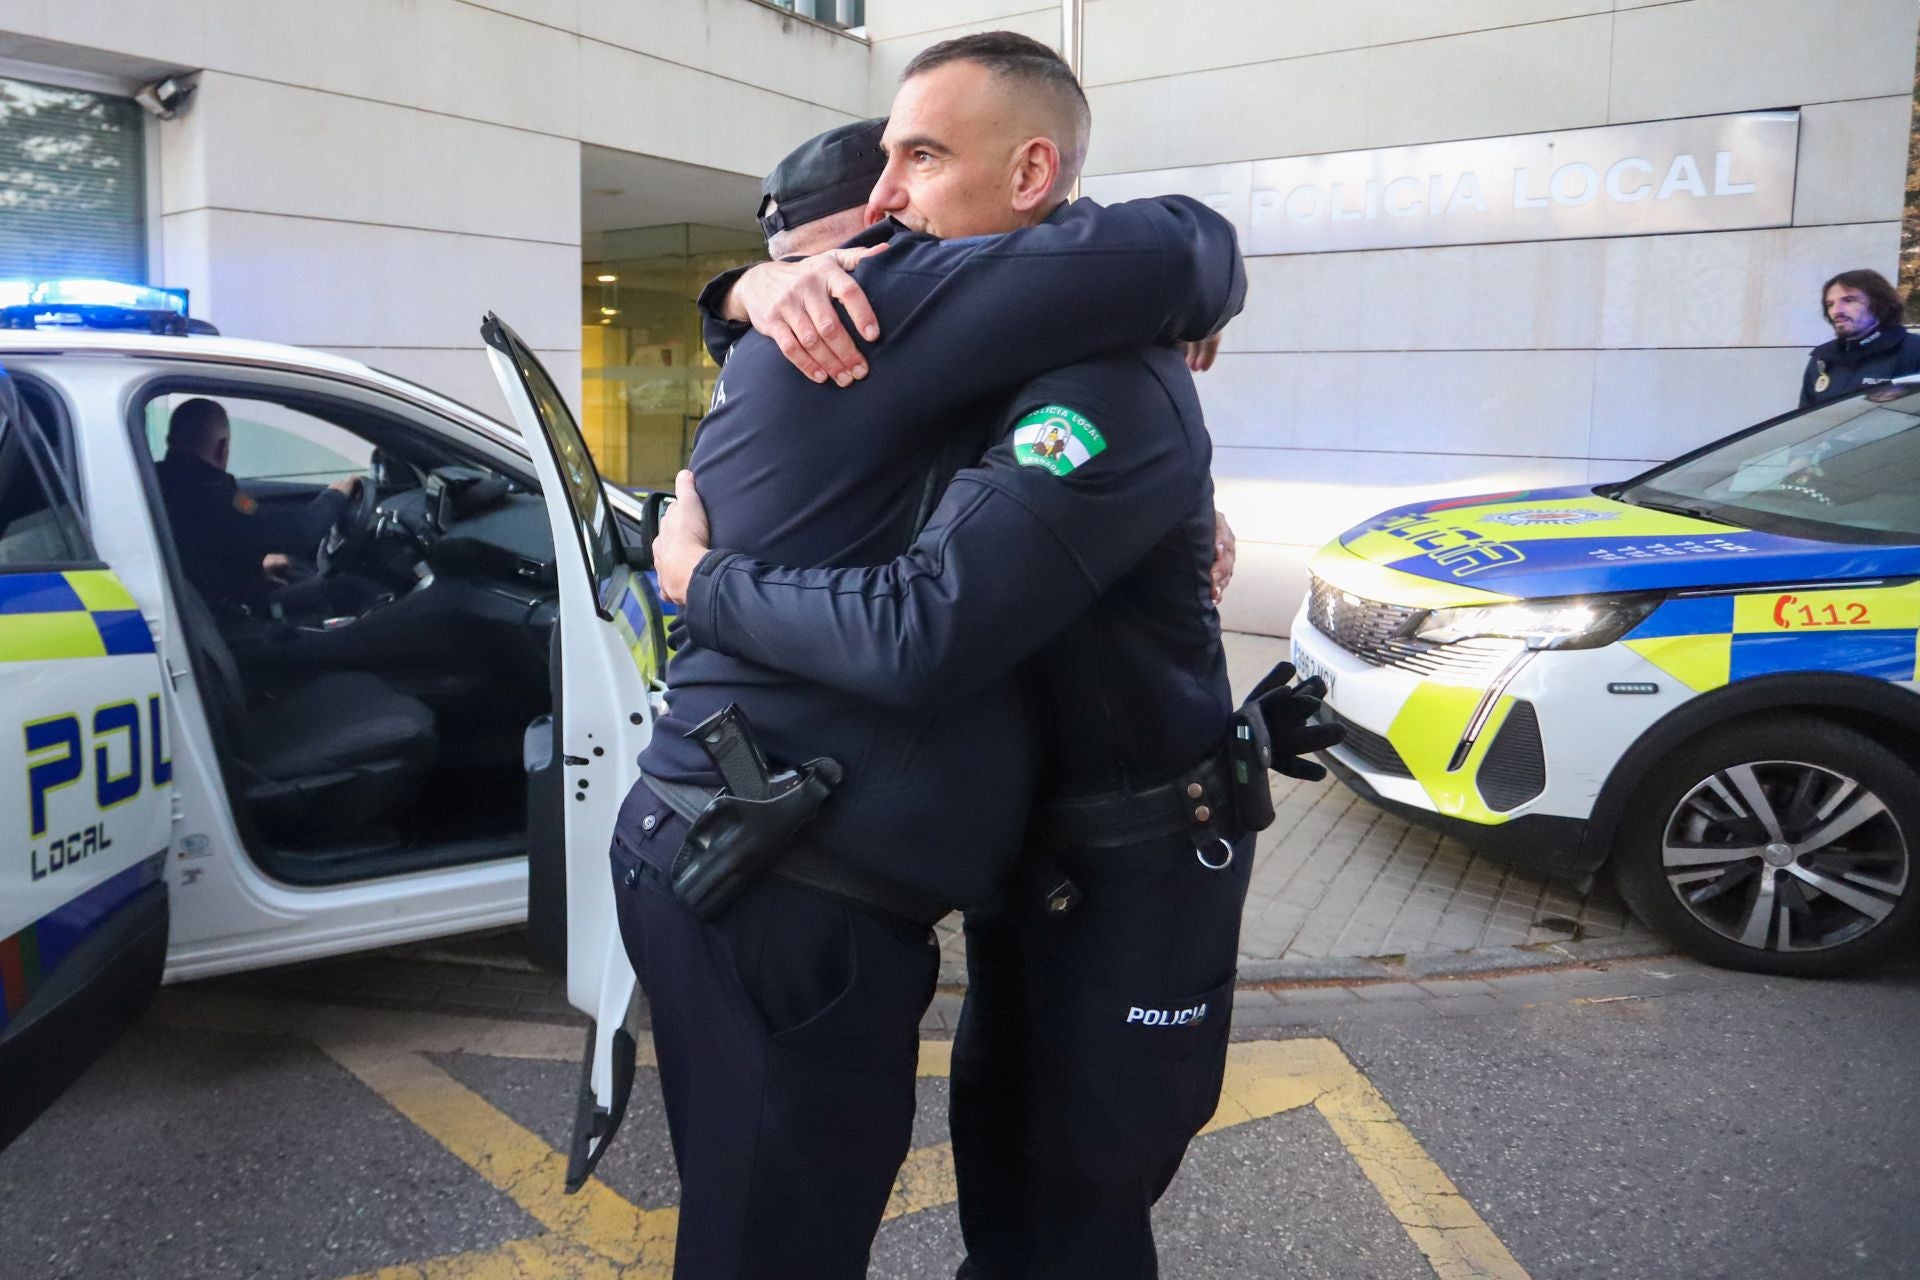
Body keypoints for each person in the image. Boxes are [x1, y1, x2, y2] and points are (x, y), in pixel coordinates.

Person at [647, 32, 1334, 1280]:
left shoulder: (1100, 377)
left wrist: (703, 580)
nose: (884, 206)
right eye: (866, 186)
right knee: (1007, 1193)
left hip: (1135, 863)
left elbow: (930, 621)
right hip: (1032, 862)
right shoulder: (928, 334)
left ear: (1031, 178)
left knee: (1066, 1218)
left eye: (917, 157)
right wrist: (743, 289)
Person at [153, 397, 358, 614]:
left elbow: (206, 552)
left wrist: (252, 569)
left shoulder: (158, 481)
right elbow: (303, 532)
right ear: (222, 448)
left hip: (206, 601)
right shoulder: (214, 494)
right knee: (344, 587)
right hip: (232, 615)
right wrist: (336, 495)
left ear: (169, 441)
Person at [1799, 269, 1920, 408]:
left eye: (1849, 300)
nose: (1836, 311)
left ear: (1878, 304)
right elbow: (1806, 418)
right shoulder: (1823, 358)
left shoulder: (1912, 350)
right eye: (1830, 304)